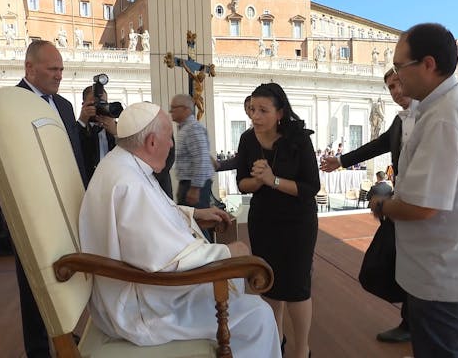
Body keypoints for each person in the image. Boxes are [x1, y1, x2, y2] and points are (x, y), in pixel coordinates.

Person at [79, 102, 281, 358]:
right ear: (152, 142)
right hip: (137, 308)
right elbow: (166, 261)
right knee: (258, 315)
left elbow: (154, 214)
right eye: (168, 139)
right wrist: (227, 253)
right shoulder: (129, 183)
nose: (172, 145)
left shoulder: (122, 163)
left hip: (128, 290)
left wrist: (194, 214)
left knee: (242, 298)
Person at [369, 23, 458, 357]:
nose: (397, 76)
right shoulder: (446, 107)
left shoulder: (446, 116)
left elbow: (422, 207)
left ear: (427, 64)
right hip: (441, 264)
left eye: (400, 66)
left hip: (440, 269)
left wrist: (383, 204)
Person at [321, 68, 418, 343]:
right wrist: (340, 161)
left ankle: (415, 322)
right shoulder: (400, 122)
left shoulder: (432, 117)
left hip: (424, 207)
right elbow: (376, 145)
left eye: (398, 84)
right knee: (389, 262)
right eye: (390, 88)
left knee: (413, 265)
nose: (396, 91)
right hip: (403, 205)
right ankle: (411, 320)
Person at [6, 40, 87, 357]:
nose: (59, 75)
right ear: (30, 68)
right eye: (53, 69)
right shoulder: (9, 104)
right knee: (33, 285)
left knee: (64, 275)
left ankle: (63, 335)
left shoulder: (65, 106)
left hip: (63, 207)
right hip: (29, 211)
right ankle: (38, 349)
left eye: (62, 69)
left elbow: (75, 158)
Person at [237, 82, 320, 358]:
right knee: (269, 284)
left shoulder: (298, 140)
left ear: (280, 113)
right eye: (252, 109)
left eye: (263, 110)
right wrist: (258, 181)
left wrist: (272, 179)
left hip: (297, 222)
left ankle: (301, 349)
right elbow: (241, 184)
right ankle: (276, 343)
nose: (255, 116)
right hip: (264, 221)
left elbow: (310, 187)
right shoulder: (248, 140)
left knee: (297, 287)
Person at [170, 94, 215, 213]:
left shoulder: (192, 129)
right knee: (189, 222)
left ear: (186, 109)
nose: (171, 111)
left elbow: (200, 159)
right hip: (188, 183)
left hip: (193, 185)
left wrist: (195, 188)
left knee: (196, 224)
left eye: (174, 108)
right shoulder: (186, 128)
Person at [77, 85, 117, 182]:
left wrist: (115, 132)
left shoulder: (117, 128)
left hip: (112, 181)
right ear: (84, 105)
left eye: (103, 103)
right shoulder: (78, 129)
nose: (99, 108)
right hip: (87, 183)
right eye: (94, 104)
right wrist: (82, 121)